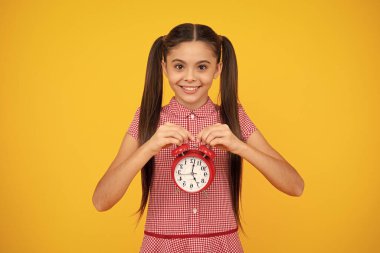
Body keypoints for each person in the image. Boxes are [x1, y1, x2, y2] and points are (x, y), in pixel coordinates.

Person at [92, 23, 304, 252]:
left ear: (217, 69)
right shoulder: (147, 119)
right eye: (179, 66)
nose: (190, 77)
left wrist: (240, 146)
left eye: (202, 67)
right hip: (163, 246)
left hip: (221, 246)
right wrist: (149, 147)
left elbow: (295, 186)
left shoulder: (233, 117)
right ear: (164, 68)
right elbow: (101, 201)